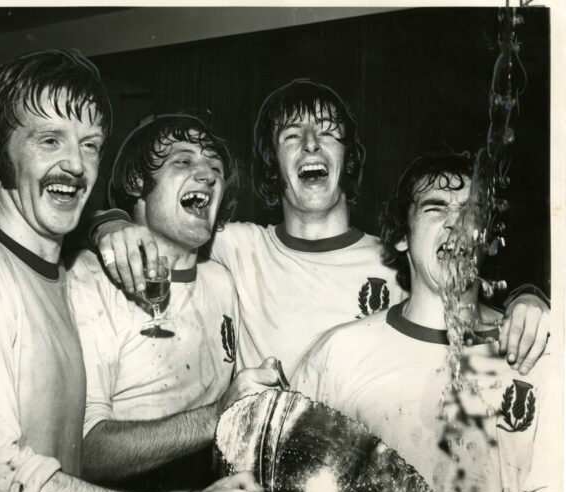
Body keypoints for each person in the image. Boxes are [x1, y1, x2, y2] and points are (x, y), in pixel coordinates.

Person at [0, 49, 266, 492]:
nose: (75, 165)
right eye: (49, 140)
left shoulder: (52, 272)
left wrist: (110, 221)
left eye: (89, 145)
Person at [88, 80, 550, 378]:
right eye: (292, 136)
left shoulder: (398, 259)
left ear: (346, 160)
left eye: (327, 133)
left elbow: (471, 292)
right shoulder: (236, 246)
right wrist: (109, 222)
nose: (311, 143)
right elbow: (163, 218)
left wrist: (527, 296)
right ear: (274, 164)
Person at [292, 151, 560, 492]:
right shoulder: (339, 354)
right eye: (436, 208)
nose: (457, 223)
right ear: (402, 234)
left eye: (472, 211)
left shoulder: (538, 351)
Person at [67, 113, 280, 492]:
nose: (207, 175)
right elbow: (83, 452)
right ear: (137, 183)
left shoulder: (223, 280)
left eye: (214, 167)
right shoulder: (90, 279)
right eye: (183, 161)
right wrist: (217, 418)